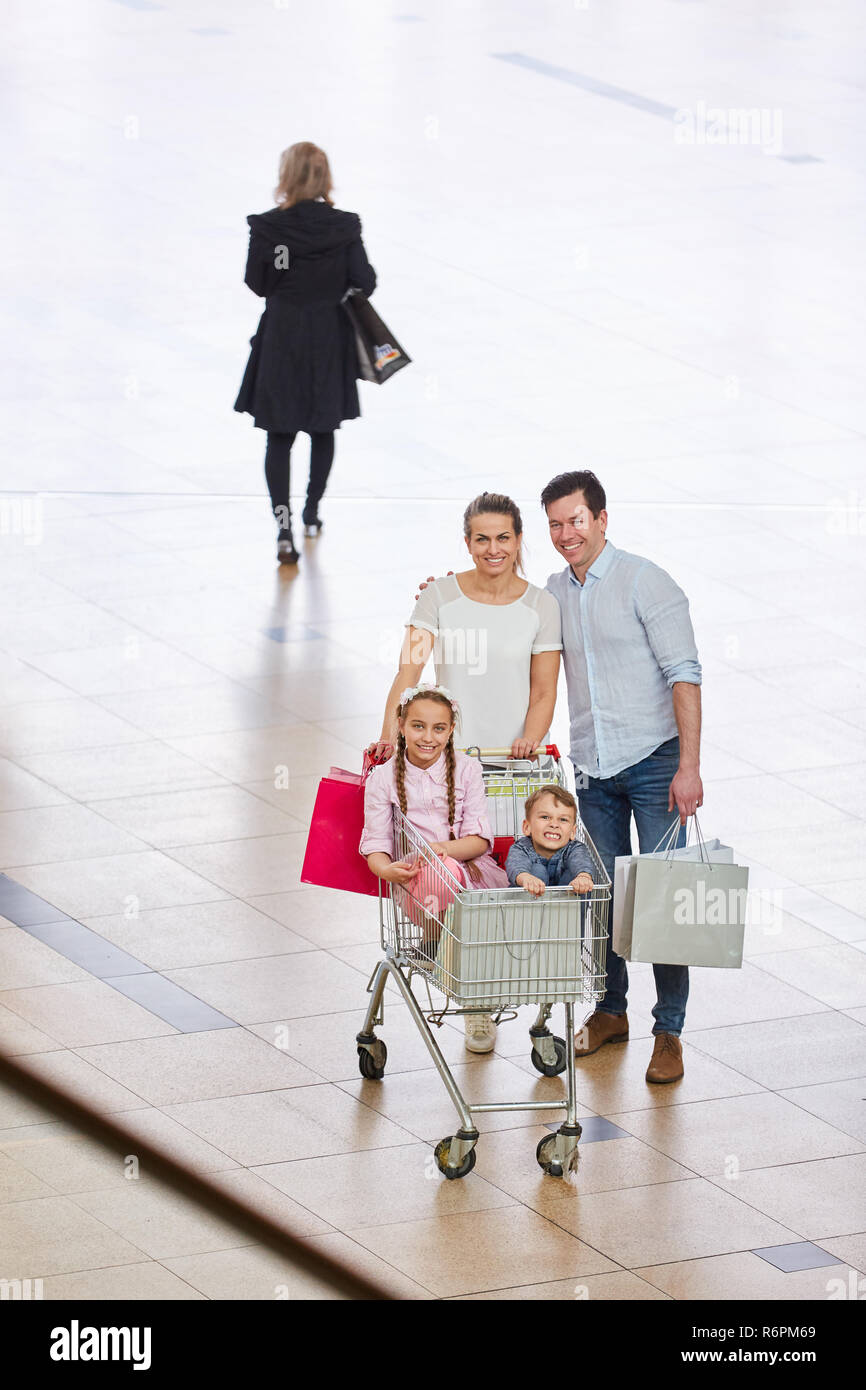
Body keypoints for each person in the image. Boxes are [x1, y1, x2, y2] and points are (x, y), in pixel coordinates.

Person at [542, 469, 703, 1084]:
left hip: (656, 761)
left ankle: (670, 1031)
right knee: (604, 897)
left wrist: (689, 767)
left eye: (575, 520)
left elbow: (684, 674)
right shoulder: (555, 591)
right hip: (594, 769)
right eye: (555, 524)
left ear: (602, 519)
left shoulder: (645, 581)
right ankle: (612, 1011)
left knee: (659, 903)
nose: (565, 534)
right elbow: (506, 615)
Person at [234, 141, 377, 564]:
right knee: (323, 428)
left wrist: (288, 274)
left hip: (282, 336)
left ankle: (284, 527)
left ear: (287, 176)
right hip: (328, 338)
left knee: (279, 436)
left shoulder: (268, 229)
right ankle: (313, 511)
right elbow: (364, 280)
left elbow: (258, 283)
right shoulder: (344, 227)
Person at [360, 685, 509, 1052]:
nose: (428, 737)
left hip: (471, 877)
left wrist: (440, 851)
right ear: (400, 725)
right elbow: (375, 845)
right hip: (416, 884)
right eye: (418, 726)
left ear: (451, 730)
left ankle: (443, 955)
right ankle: (470, 988)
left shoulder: (468, 769)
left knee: (452, 874)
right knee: (440, 876)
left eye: (439, 728)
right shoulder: (383, 779)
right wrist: (387, 871)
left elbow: (479, 841)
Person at [370, 493, 562, 760]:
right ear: (468, 544)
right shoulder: (436, 596)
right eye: (482, 539)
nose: (493, 549)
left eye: (503, 538)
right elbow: (408, 671)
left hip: (517, 764)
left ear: (518, 540)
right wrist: (387, 738)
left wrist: (530, 740)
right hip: (452, 759)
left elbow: (543, 691)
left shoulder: (543, 605)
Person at [506, 787, 595, 898]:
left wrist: (583, 877)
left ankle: (569, 914)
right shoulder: (521, 848)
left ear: (573, 832)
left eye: (563, 819)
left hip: (566, 909)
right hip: (529, 909)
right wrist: (525, 877)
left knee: (574, 878)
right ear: (527, 827)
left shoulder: (574, 848)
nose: (554, 824)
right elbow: (516, 865)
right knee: (537, 871)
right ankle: (534, 912)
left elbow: (581, 862)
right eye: (545, 817)